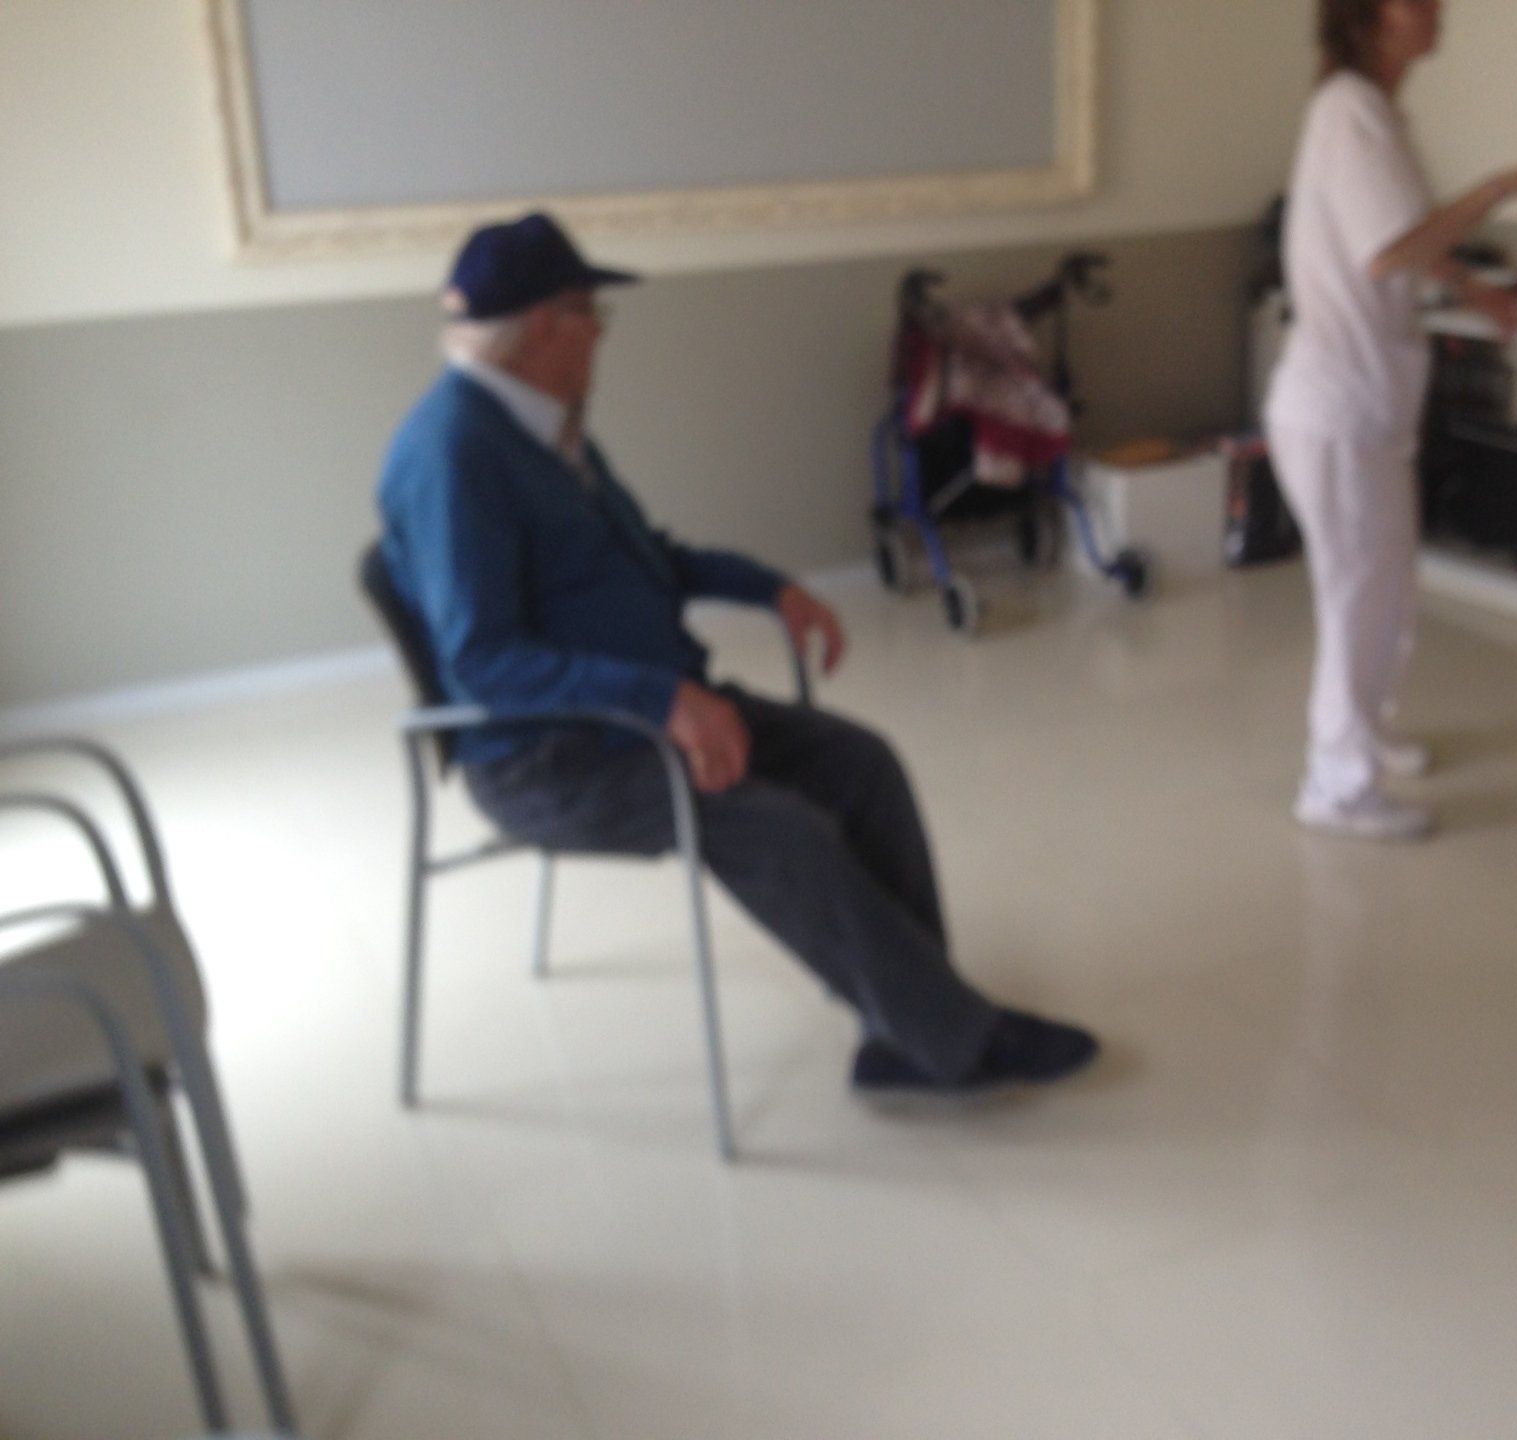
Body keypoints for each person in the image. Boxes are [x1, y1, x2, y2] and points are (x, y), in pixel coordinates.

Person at [376, 212, 1098, 1094]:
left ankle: (911, 1024)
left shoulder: (545, 426)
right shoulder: (455, 454)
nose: (601, 333)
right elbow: (485, 663)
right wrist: (665, 703)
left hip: (645, 708)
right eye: (591, 312)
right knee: (776, 829)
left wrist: (769, 588)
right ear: (541, 327)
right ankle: (951, 1040)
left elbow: (646, 560)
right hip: (551, 757)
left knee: (861, 765)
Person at [1265, 0, 1517, 840]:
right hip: (1335, 410)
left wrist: (1472, 287)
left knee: (1389, 587)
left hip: (1364, 409)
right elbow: (1388, 249)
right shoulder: (1352, 110)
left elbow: (1400, 238)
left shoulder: (1372, 111)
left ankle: (1364, 735)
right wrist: (1502, 187)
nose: (1436, 8)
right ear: (1370, 17)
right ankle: (1335, 787)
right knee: (1357, 601)